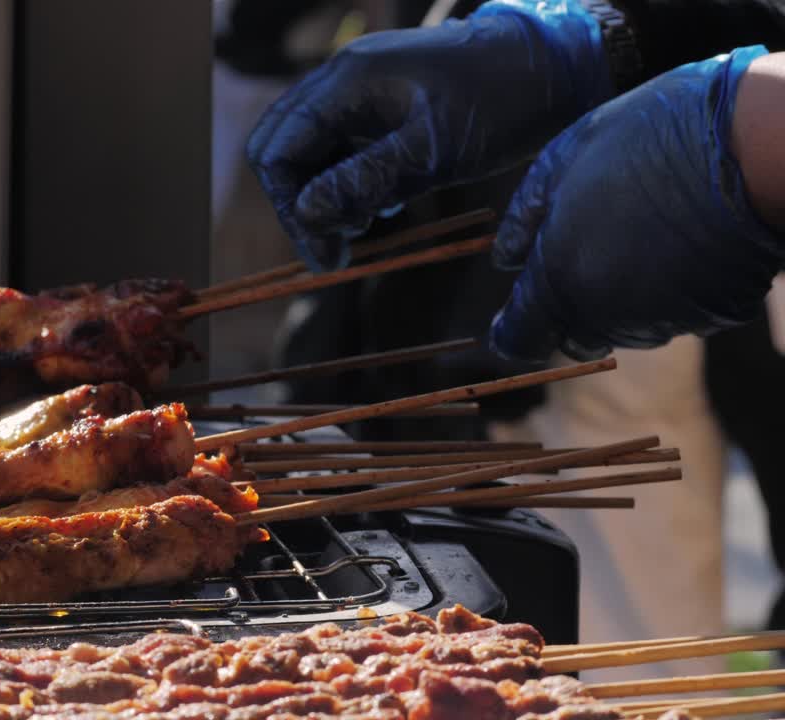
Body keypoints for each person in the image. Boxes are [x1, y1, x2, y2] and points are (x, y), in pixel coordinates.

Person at [246, 0, 785, 680]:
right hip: (601, 159)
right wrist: (619, 41)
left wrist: (749, 122)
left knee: (622, 637)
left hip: (648, 257)